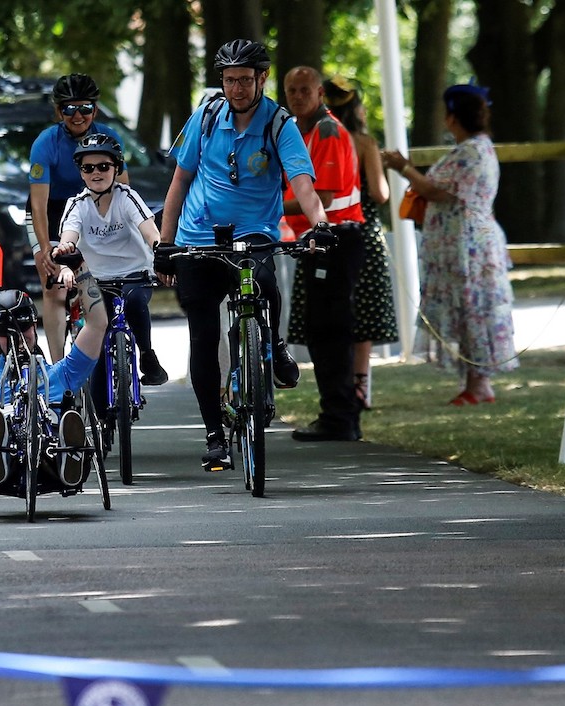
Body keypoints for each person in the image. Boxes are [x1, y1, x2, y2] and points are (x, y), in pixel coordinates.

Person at [158, 39, 329, 470]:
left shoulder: (279, 124)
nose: (236, 88)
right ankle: (215, 436)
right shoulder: (207, 116)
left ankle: (272, 344)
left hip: (253, 233)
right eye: (229, 80)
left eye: (245, 80)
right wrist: (165, 242)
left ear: (262, 79)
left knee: (265, 282)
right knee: (202, 334)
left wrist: (320, 224)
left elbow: (303, 184)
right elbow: (179, 182)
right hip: (198, 234)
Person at [0, 248, 108, 504]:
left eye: (24, 327)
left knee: (60, 421)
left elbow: (97, 324)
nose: (18, 336)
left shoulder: (60, 373)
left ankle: (69, 454)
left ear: (34, 326)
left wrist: (80, 268)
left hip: (49, 447)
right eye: (7, 331)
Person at [382, 81, 517, 404]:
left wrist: (403, 168)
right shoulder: (477, 148)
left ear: (453, 117)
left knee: (471, 308)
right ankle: (475, 381)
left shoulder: (471, 151)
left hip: (466, 244)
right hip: (464, 240)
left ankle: (479, 382)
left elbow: (435, 191)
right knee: (468, 309)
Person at [281, 65, 366, 442]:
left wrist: (269, 208)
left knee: (329, 329)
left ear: (320, 94)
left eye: (305, 90)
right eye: (291, 90)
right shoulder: (302, 130)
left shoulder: (327, 130)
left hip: (336, 238)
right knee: (321, 329)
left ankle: (340, 416)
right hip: (321, 240)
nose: (297, 97)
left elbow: (325, 197)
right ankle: (337, 413)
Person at [54, 132, 168, 392]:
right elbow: (68, 237)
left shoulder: (127, 197)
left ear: (116, 168)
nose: (96, 173)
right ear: (81, 172)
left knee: (135, 301)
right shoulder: (77, 205)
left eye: (104, 166)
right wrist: (65, 255)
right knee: (98, 335)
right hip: (95, 280)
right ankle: (102, 421)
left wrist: (160, 252)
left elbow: (149, 231)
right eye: (88, 168)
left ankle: (147, 355)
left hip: (135, 274)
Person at [28, 73, 128, 359]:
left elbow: (123, 190)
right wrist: (46, 246)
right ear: (59, 112)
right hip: (52, 210)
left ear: (94, 110)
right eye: (70, 109)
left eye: (85, 108)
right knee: (56, 287)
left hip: (92, 210)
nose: (78, 115)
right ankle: (58, 368)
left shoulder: (110, 138)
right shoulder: (45, 143)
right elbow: (38, 204)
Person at [315, 74, 398, 410]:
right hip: (361, 228)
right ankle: (360, 384)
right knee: (363, 309)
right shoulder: (364, 143)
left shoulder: (321, 137)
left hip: (326, 228)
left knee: (332, 311)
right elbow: (380, 193)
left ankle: (336, 384)